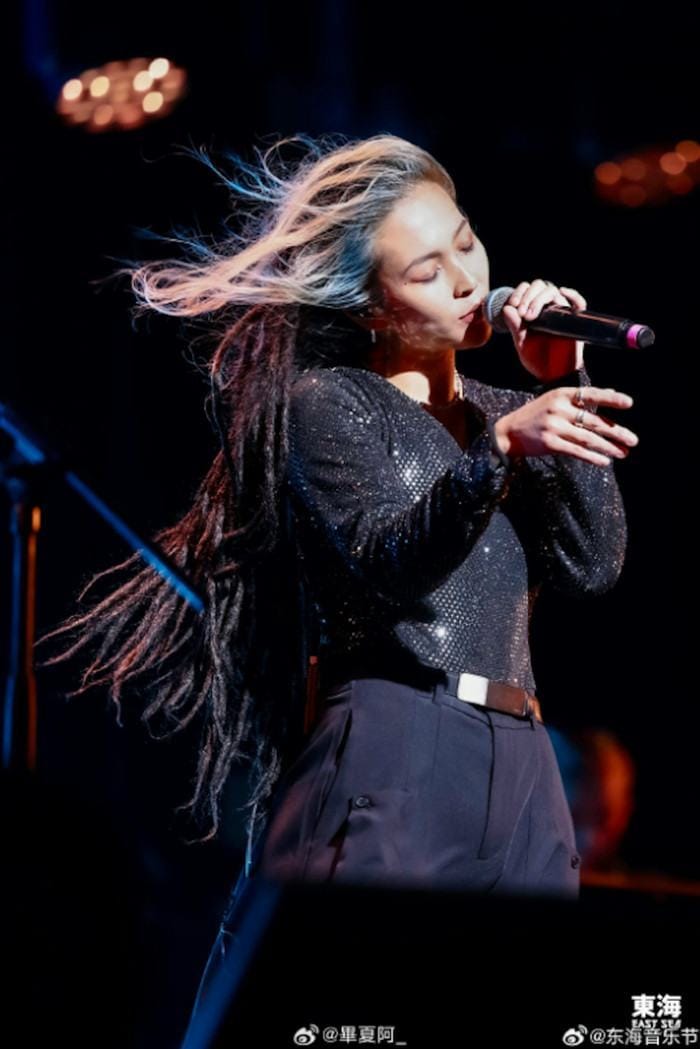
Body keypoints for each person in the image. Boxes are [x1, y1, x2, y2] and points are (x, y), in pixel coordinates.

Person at [33, 131, 637, 1031]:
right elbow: (392, 561)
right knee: (351, 1005)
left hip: (524, 763)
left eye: (466, 241)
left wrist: (564, 378)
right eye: (428, 270)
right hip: (401, 741)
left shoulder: (509, 414)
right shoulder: (330, 404)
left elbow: (593, 563)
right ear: (372, 306)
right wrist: (497, 456)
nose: (467, 279)